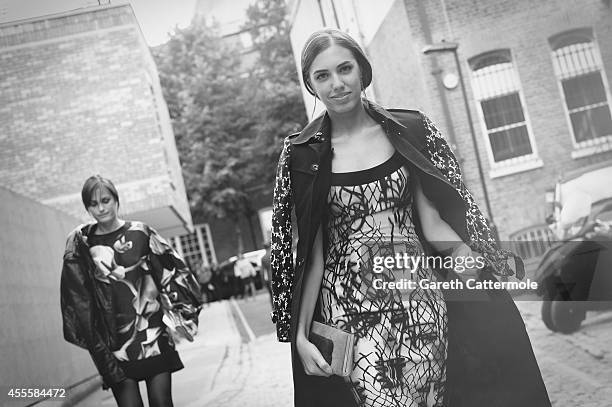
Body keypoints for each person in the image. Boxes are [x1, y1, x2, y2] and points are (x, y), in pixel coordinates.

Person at [270, 28, 551, 407]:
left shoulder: (407, 130)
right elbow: (311, 254)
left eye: (345, 69)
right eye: (323, 76)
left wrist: (465, 256)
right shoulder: (302, 153)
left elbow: (432, 220)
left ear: (362, 70)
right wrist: (301, 336)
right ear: (311, 84)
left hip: (420, 302)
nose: (337, 84)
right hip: (350, 314)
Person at [60, 175, 202, 407]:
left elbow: (172, 272)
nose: (101, 208)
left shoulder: (141, 233)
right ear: (87, 208)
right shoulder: (83, 243)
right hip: (115, 346)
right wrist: (96, 342)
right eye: (93, 204)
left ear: (116, 199)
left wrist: (180, 317)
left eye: (105, 200)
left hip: (153, 335)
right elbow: (77, 297)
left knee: (161, 402)